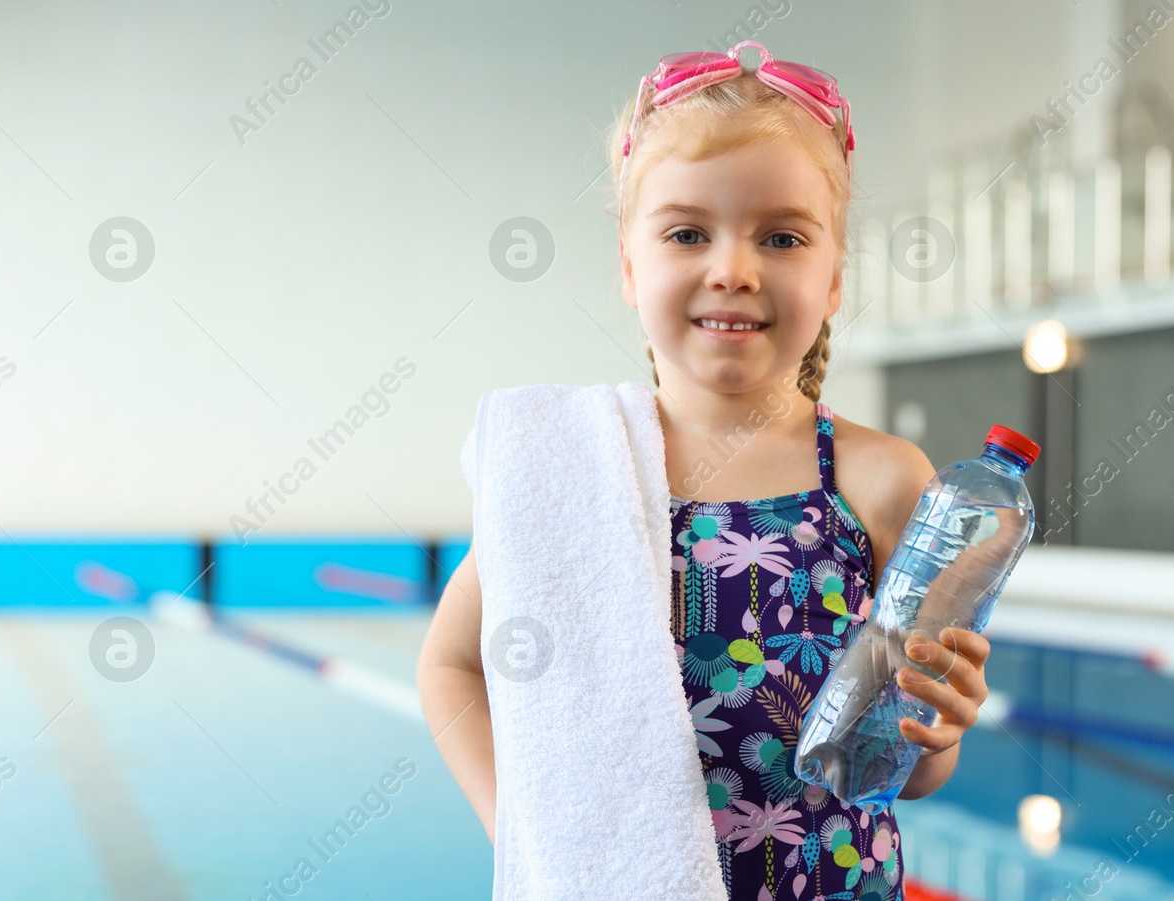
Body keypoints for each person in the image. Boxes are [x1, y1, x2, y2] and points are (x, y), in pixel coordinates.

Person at [416, 40, 993, 901]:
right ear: (627, 262)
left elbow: (903, 771)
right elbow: (451, 664)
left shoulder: (881, 481)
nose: (732, 268)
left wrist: (937, 730)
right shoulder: (570, 468)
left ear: (834, 276)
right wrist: (525, 833)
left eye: (783, 236)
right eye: (687, 232)